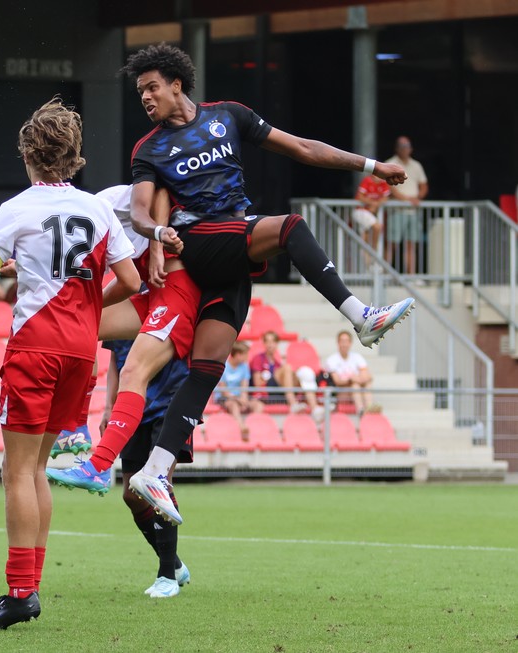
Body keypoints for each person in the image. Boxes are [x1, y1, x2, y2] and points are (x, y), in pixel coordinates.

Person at [110, 43, 414, 524]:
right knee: (289, 227)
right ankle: (362, 316)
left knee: (207, 368)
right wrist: (152, 232)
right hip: (198, 239)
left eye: (151, 87)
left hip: (231, 246)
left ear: (176, 83)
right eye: (140, 92)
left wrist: (371, 166)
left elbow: (302, 147)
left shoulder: (229, 116)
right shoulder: (149, 149)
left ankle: (156, 469)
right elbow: (142, 209)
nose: (145, 98)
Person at [0, 98, 140, 630]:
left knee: (16, 470)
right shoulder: (99, 209)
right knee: (37, 468)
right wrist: (84, 309)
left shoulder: (16, 208)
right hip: (80, 354)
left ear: (27, 154)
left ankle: (20, 592)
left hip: (34, 349)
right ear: (75, 157)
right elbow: (131, 283)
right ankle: (28, 588)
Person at [45, 184, 200, 478]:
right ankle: (77, 426)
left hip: (175, 299)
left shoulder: (111, 203)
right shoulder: (90, 226)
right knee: (80, 324)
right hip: (154, 296)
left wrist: (156, 247)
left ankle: (96, 468)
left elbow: (160, 195)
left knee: (132, 371)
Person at [101, 337, 192, 598]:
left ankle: (166, 576)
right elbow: (116, 360)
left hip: (171, 405)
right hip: (133, 407)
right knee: (131, 495)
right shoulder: (121, 305)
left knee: (158, 482)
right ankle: (174, 563)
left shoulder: (171, 301)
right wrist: (109, 406)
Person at [249, 331, 320, 418]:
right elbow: (257, 383)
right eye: (267, 341)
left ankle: (315, 408)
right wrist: (269, 377)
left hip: (278, 392)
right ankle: (293, 403)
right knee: (288, 367)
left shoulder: (277, 363)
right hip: (266, 392)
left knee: (305, 372)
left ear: (277, 343)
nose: (270, 344)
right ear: (264, 343)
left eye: (272, 341)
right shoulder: (258, 359)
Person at [384, 136, 428, 275]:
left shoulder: (416, 165)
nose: (405, 149)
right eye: (402, 146)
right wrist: (407, 199)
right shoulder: (389, 164)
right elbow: (389, 187)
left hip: (413, 212)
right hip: (396, 210)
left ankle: (411, 276)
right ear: (396, 148)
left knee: (411, 245)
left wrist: (417, 197)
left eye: (407, 146)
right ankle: (384, 276)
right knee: (392, 244)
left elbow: (423, 185)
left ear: (411, 148)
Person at [324, 330, 377, 416]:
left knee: (365, 383)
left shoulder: (357, 357)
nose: (344, 344)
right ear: (338, 343)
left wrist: (356, 379)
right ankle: (363, 410)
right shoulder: (331, 360)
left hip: (356, 388)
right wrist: (352, 379)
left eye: (346, 341)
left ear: (350, 343)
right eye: (342, 341)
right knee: (355, 384)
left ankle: (368, 409)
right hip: (341, 393)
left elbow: (368, 376)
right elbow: (337, 381)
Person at [215, 341, 263, 435]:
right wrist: (238, 399)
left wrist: (244, 398)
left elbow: (244, 387)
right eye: (245, 355)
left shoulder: (244, 367)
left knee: (258, 405)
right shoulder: (223, 366)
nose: (247, 358)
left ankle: (252, 427)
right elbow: (224, 391)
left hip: (239, 397)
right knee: (233, 405)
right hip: (225, 398)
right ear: (237, 355)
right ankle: (242, 426)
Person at [353, 172, 389, 259]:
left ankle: (369, 257)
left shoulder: (383, 183)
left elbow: (385, 198)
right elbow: (360, 197)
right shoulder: (367, 180)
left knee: (365, 236)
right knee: (377, 227)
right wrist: (373, 203)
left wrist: (374, 205)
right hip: (361, 212)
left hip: (371, 213)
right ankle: (373, 249)